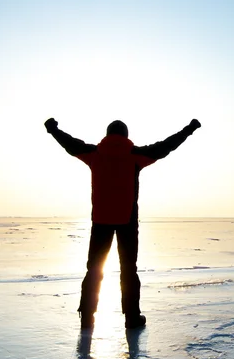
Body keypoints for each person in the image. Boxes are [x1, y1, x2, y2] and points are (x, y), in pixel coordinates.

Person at [44, 117, 201, 329]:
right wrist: (189, 129)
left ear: (107, 135)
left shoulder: (94, 154)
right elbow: (166, 146)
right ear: (126, 135)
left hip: (100, 220)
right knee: (128, 270)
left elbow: (70, 144)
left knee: (94, 269)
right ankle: (132, 318)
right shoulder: (135, 155)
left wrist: (53, 130)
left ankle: (87, 317)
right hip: (127, 221)